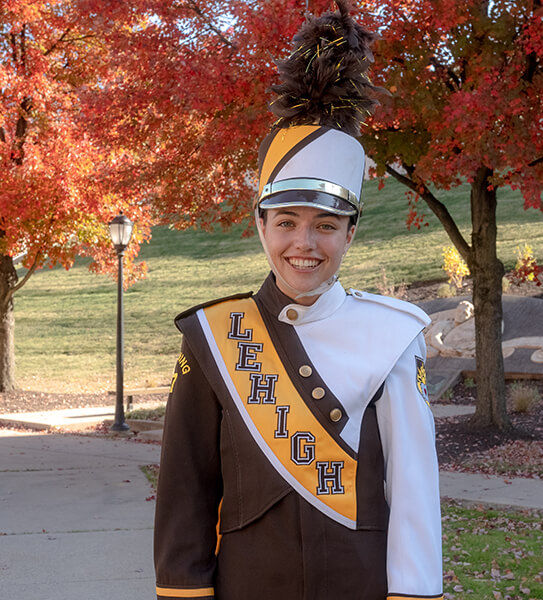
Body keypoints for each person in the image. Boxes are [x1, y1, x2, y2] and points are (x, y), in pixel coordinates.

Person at [154, 3, 443, 599]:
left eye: (327, 226)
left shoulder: (392, 333)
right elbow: (186, 488)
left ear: (351, 233)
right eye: (286, 222)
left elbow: (413, 492)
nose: (304, 244)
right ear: (260, 227)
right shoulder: (212, 337)